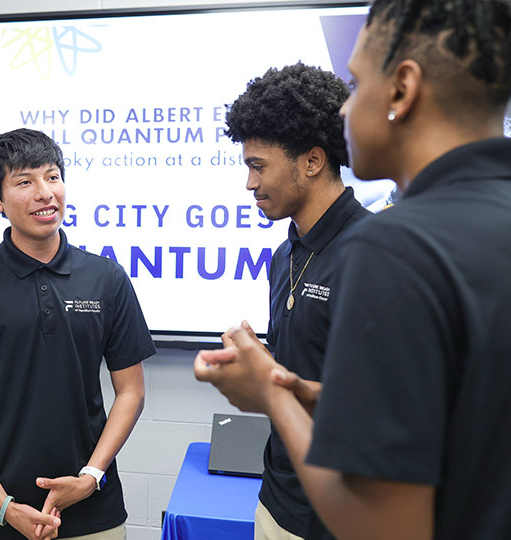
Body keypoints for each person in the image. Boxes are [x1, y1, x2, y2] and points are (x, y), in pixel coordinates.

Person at [194, 1, 511, 539]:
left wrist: (270, 393)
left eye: (357, 84)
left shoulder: (392, 245)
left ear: (402, 89)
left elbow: (381, 522)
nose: (343, 112)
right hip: (281, 498)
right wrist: (290, 381)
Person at [0, 128, 155, 540]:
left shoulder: (106, 278)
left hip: (93, 507)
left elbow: (131, 391)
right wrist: (4, 504)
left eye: (53, 176)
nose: (46, 193)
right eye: (25, 182)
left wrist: (90, 476)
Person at [223, 62, 370, 540]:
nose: (250, 183)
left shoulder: (375, 254)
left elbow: (382, 408)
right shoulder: (285, 255)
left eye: (258, 166)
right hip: (276, 501)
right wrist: (264, 365)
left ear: (311, 161)